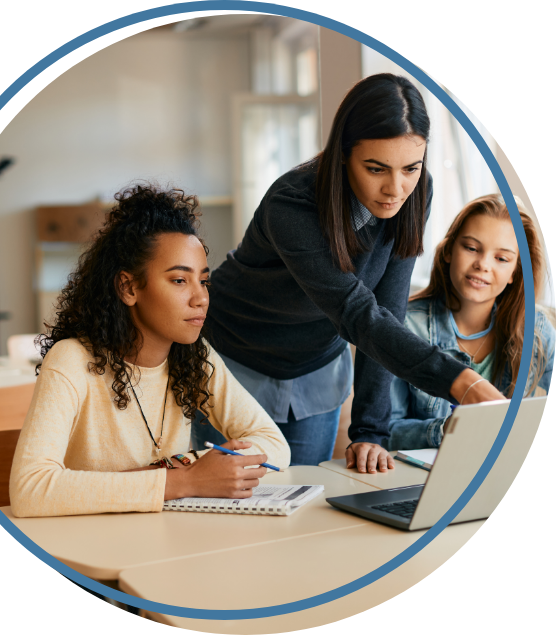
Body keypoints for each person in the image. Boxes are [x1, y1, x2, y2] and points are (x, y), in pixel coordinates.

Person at [192, 73, 506, 473]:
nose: (396, 188)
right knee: (225, 512)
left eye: (411, 167)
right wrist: (462, 381)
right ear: (343, 154)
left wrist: (369, 431)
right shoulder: (292, 204)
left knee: (300, 512)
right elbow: (355, 312)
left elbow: (385, 312)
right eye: (376, 169)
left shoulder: (415, 192)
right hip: (234, 360)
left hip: (316, 369)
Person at [9, 184, 291, 519]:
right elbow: (29, 489)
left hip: (164, 541)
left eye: (203, 281)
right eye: (178, 281)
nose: (201, 298)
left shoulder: (193, 355)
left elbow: (274, 445)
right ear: (128, 287)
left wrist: (182, 468)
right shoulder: (71, 360)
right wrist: (182, 481)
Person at [388, 194, 555, 450]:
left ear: (514, 273)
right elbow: (384, 432)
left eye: (501, 258)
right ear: (448, 252)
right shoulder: (405, 325)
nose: (482, 265)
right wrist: (448, 429)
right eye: (471, 248)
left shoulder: (538, 329)